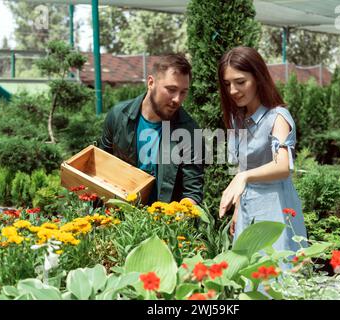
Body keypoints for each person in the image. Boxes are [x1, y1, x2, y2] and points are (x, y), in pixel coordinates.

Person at [218, 46, 307, 254]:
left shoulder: (278, 117)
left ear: (258, 78)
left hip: (275, 208)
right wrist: (238, 209)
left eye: (240, 82)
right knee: (249, 276)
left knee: (274, 275)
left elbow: (283, 166)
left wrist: (243, 178)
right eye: (227, 84)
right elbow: (242, 166)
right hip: (248, 210)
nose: (232, 90)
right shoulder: (236, 119)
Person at [99, 54, 204, 205]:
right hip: (120, 216)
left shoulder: (190, 131)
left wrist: (179, 216)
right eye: (171, 89)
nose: (177, 99)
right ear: (150, 83)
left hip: (164, 221)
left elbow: (192, 191)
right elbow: (102, 166)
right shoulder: (118, 116)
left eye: (183, 92)